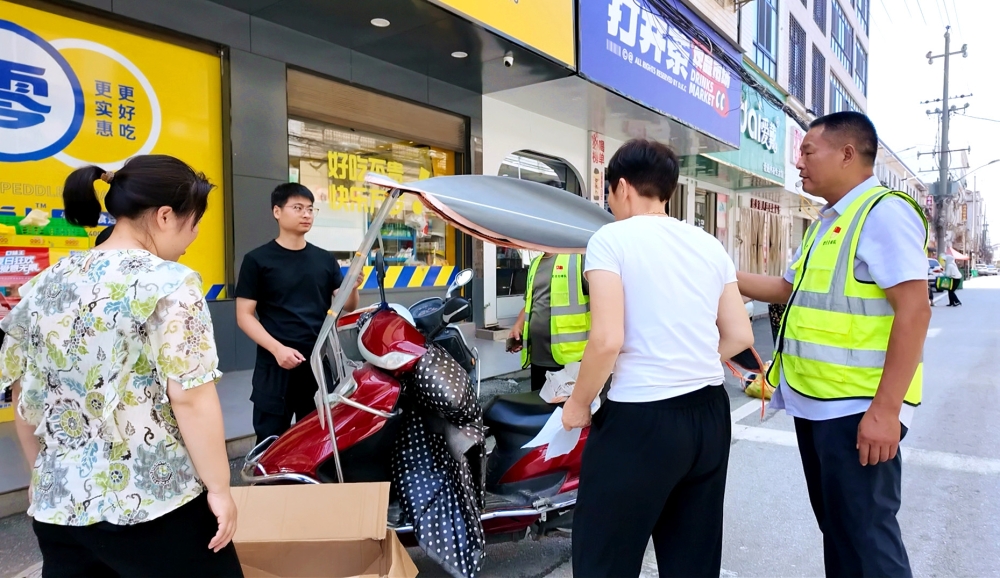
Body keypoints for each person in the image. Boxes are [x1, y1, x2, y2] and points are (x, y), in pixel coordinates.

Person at [2, 155, 242, 576]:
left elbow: (26, 395)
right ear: (165, 216)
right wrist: (220, 489)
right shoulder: (170, 283)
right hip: (153, 500)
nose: (194, 235)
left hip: (59, 506)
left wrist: (42, 478)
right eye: (194, 222)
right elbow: (190, 398)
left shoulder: (45, 283)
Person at [738, 111, 929, 578]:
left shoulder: (883, 213)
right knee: (841, 535)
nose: (798, 162)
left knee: (868, 543)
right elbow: (787, 290)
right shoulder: (827, 223)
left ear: (847, 154)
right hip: (818, 406)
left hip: (857, 411)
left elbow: (915, 310)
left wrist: (885, 411)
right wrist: (715, 271)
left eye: (807, 151)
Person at [562, 139, 755, 577]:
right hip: (709, 415)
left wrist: (578, 404)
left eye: (609, 194)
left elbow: (607, 339)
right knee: (692, 559)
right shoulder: (708, 244)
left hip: (641, 420)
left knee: (604, 559)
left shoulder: (611, 239)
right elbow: (740, 334)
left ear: (622, 187)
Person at [236, 183, 360, 443]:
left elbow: (348, 306)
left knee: (316, 443)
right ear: (277, 211)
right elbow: (244, 315)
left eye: (310, 209)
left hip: (316, 365)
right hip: (275, 365)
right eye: (298, 208)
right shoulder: (257, 260)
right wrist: (277, 349)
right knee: (271, 443)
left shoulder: (324, 259)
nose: (306, 214)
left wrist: (353, 286)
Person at [508, 252, 590, 391]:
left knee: (566, 403)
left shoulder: (579, 259)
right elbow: (530, 303)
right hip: (538, 357)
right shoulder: (535, 263)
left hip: (571, 359)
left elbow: (602, 304)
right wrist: (518, 326)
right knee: (539, 401)